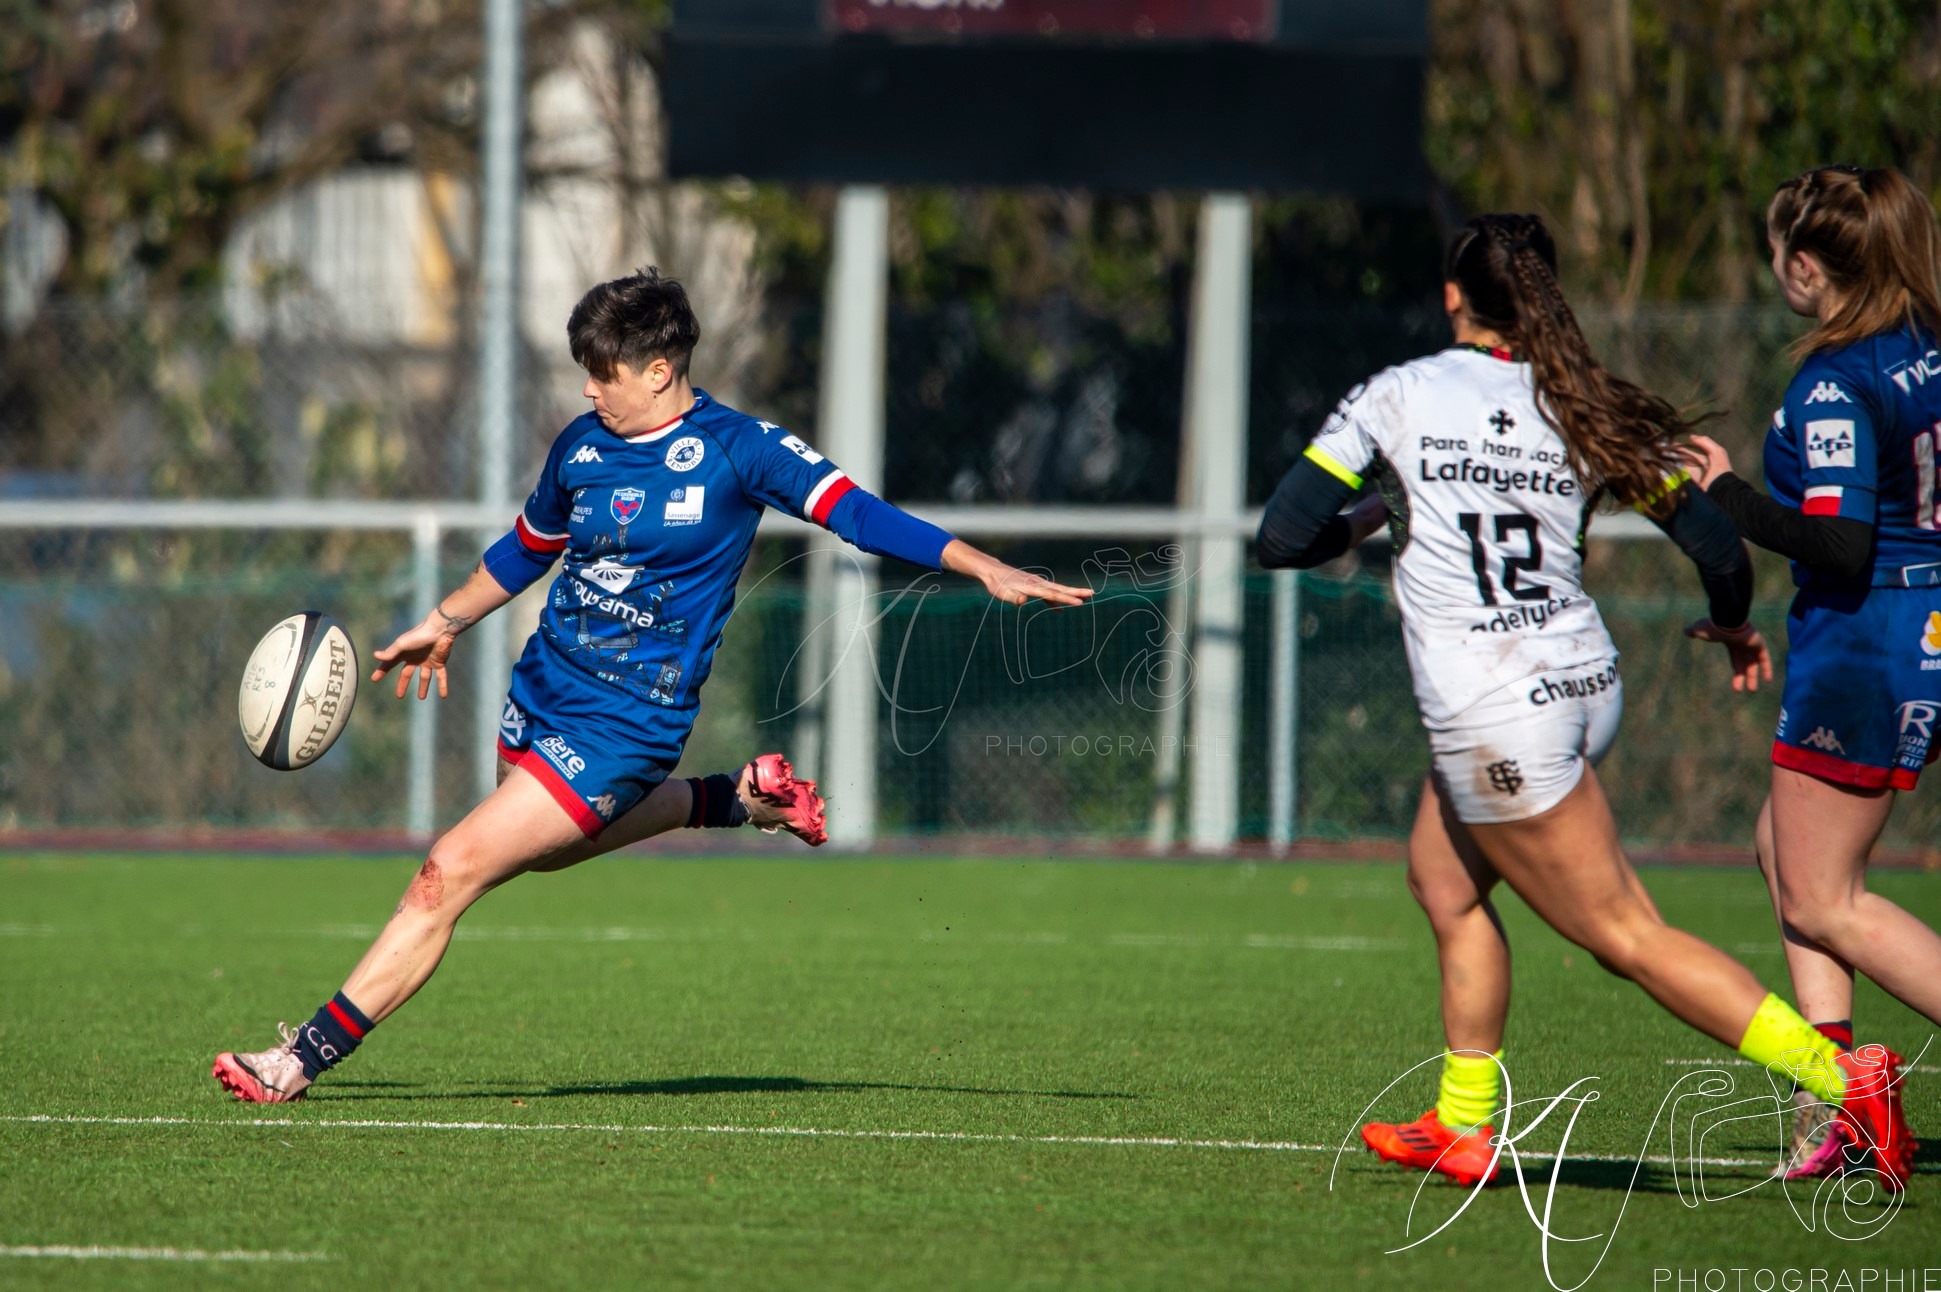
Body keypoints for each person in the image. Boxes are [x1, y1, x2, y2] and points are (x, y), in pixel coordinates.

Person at [214, 267, 1093, 1103]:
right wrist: (445, 621)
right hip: (545, 686)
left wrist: (977, 563)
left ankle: (299, 1058)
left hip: (629, 721)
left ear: (660, 369)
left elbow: (859, 513)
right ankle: (739, 800)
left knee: (451, 869)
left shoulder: (738, 450)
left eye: (603, 376)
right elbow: (530, 546)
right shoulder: (582, 446)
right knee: (544, 852)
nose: (589, 393)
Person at [1256, 213, 1913, 1191]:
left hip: (1498, 711)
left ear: (1452, 298)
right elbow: (1716, 546)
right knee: (1445, 880)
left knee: (1626, 935)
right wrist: (1734, 624)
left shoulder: (1398, 393)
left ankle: (1843, 1079)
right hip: (1581, 685)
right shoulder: (1578, 400)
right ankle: (1464, 1121)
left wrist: (1382, 506)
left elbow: (1285, 534)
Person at [1680, 164, 1941, 1181]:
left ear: (1806, 264)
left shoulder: (1835, 380)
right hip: (1917, 624)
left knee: (1826, 898)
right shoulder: (1926, 349)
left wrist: (1727, 492)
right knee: (1781, 851)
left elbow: (1836, 547)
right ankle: (1837, 1094)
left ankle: (1840, 1094)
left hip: (1867, 638)